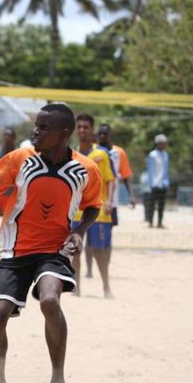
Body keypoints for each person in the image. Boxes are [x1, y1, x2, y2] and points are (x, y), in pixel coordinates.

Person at [0, 103, 102, 383]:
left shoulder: (86, 169)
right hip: (13, 250)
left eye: (44, 128)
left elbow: (94, 206)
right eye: (36, 125)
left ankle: (57, 378)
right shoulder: (21, 159)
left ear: (63, 134)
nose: (36, 132)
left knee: (49, 300)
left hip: (54, 249)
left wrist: (79, 231)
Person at [71, 114, 116, 298]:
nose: (82, 130)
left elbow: (111, 180)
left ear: (92, 130)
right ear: (76, 130)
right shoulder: (70, 154)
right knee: (75, 249)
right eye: (79, 127)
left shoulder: (101, 154)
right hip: (75, 212)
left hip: (98, 211)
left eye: (86, 127)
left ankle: (106, 286)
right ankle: (76, 287)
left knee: (99, 251)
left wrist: (110, 200)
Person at [86, 124, 135, 278]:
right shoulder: (92, 151)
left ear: (109, 135)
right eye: (99, 134)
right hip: (92, 201)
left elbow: (125, 176)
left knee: (107, 237)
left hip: (110, 203)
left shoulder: (118, 152)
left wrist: (131, 195)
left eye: (104, 134)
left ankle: (105, 266)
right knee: (88, 236)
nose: (101, 136)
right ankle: (88, 270)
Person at [146, 134, 170, 228]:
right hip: (154, 183)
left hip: (163, 184)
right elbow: (150, 170)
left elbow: (166, 169)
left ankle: (159, 222)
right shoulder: (152, 155)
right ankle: (150, 222)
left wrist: (167, 181)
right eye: (163, 143)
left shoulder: (165, 155)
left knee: (161, 205)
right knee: (152, 204)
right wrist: (151, 183)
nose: (164, 145)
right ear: (158, 143)